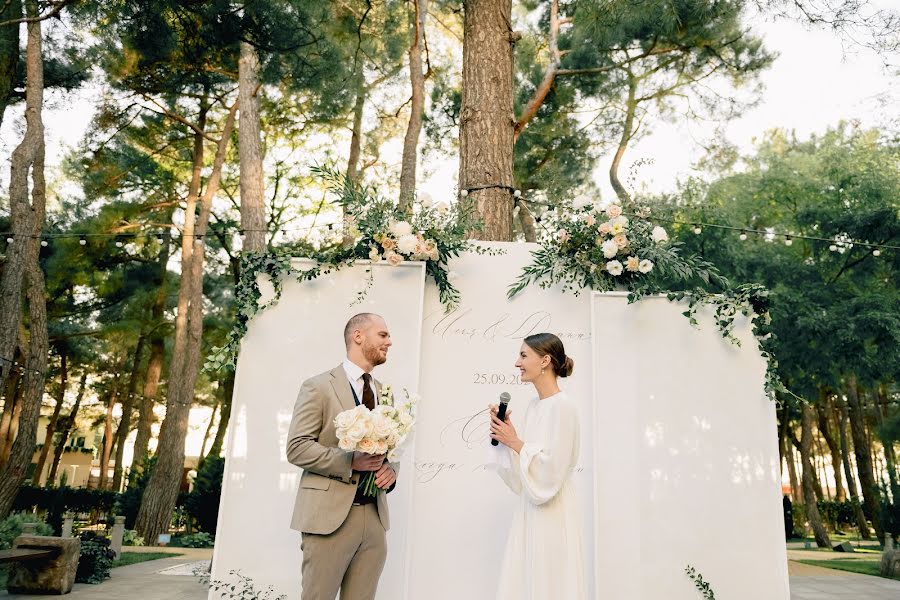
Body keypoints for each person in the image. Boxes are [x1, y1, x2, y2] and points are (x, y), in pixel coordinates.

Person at [286, 312, 398, 600]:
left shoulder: (386, 393)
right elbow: (297, 446)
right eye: (383, 335)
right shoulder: (318, 386)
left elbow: (391, 448)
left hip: (374, 519)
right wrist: (349, 461)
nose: (389, 341)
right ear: (358, 336)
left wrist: (391, 470)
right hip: (328, 520)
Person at [488, 332, 587, 600]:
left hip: (553, 508)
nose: (517, 363)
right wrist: (507, 437)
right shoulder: (534, 405)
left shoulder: (564, 407)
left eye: (523, 355)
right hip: (531, 507)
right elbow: (526, 468)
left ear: (544, 361)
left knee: (551, 580)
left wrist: (517, 442)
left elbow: (552, 469)